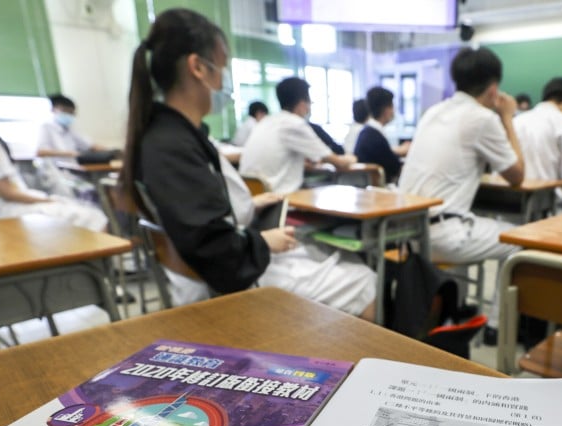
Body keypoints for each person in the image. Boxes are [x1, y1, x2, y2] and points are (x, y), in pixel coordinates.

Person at [121, 9, 375, 319]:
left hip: (208, 274)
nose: (225, 80)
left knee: (329, 258)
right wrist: (263, 242)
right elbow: (214, 248)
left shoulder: (165, 135)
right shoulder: (173, 146)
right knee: (364, 280)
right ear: (198, 67)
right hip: (228, 283)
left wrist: (251, 208)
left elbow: (196, 219)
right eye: (223, 67)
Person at [397, 46, 524, 338]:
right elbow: (517, 175)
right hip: (443, 235)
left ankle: (458, 308)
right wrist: (507, 116)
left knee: (470, 219)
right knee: (520, 240)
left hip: (407, 233)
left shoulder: (433, 112)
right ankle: (496, 326)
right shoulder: (483, 118)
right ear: (494, 89)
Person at [0, 75, 108, 231]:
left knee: (76, 206)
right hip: (10, 208)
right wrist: (48, 200)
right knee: (95, 217)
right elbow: (8, 192)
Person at [240, 77, 357, 193]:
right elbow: (339, 163)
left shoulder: (266, 122)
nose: (309, 108)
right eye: (309, 102)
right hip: (280, 203)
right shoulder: (294, 124)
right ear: (302, 103)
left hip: (253, 200)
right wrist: (352, 158)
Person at [353, 87, 407, 183]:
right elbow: (395, 167)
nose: (393, 111)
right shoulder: (374, 137)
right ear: (386, 109)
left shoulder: (366, 133)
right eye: (392, 107)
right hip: (380, 189)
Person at [36, 94, 105, 158]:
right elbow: (41, 152)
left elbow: (89, 145)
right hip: (53, 169)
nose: (68, 115)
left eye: (71, 112)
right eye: (65, 111)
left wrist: (108, 151)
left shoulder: (71, 129)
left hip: (73, 167)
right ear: (53, 109)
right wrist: (70, 153)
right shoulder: (46, 127)